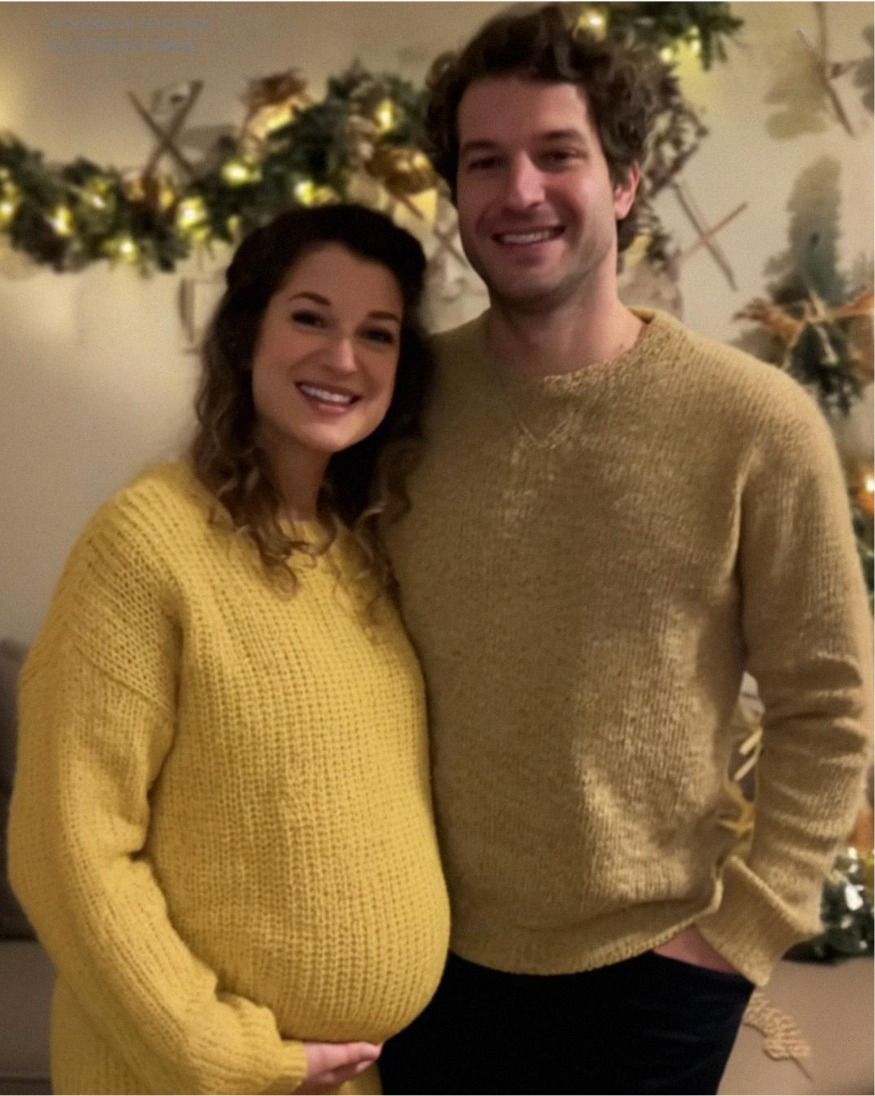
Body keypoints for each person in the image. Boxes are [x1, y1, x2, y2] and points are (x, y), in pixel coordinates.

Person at [378, 6, 873, 1095]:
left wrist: (738, 936)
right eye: (483, 161)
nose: (518, 191)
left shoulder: (754, 422)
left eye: (557, 154)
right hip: (417, 961)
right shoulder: (399, 403)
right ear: (454, 191)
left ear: (623, 183)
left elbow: (828, 703)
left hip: (652, 979)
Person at [9, 203, 451, 1096]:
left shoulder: (358, 552)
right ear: (246, 332)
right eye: (311, 318)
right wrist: (221, 1054)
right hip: (180, 1080)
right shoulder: (147, 543)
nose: (344, 359)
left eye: (378, 333)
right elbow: (66, 846)